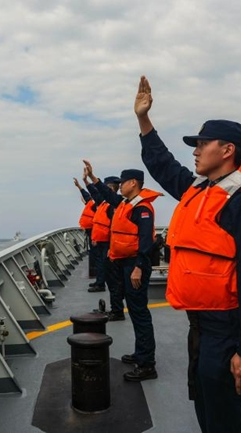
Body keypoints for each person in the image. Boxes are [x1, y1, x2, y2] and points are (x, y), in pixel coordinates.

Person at [133, 75, 241, 432]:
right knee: (210, 414)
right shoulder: (197, 190)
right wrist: (144, 120)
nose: (196, 150)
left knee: (233, 420)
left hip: (229, 332)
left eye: (203, 143)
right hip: (201, 329)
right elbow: (163, 164)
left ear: (228, 149)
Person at [84, 161, 162, 381]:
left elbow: (146, 241)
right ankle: (141, 353)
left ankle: (147, 364)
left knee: (139, 312)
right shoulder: (127, 203)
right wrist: (92, 178)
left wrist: (138, 267)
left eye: (123, 181)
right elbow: (107, 197)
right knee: (135, 310)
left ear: (133, 183)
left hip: (135, 264)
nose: (119, 187)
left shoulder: (142, 208)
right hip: (124, 263)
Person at [87, 176, 126, 317]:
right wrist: (86, 182)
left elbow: (112, 228)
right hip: (110, 246)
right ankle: (116, 308)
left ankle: (117, 310)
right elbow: (96, 194)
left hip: (111, 247)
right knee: (113, 280)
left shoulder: (113, 205)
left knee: (115, 281)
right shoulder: (110, 204)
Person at [74, 177, 95, 252]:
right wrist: (78, 185)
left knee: (95, 250)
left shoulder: (97, 202)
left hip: (94, 230)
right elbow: (85, 194)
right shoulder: (91, 201)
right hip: (89, 228)